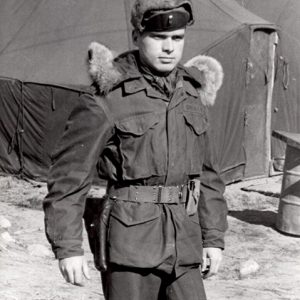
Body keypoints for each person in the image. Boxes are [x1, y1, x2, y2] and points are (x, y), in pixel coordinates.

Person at [43, 0, 228, 299]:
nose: (169, 47)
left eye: (177, 38)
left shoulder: (191, 93)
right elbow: (69, 175)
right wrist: (68, 247)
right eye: (158, 37)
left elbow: (208, 176)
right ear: (136, 36)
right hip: (130, 244)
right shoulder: (110, 96)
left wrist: (213, 237)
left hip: (184, 241)